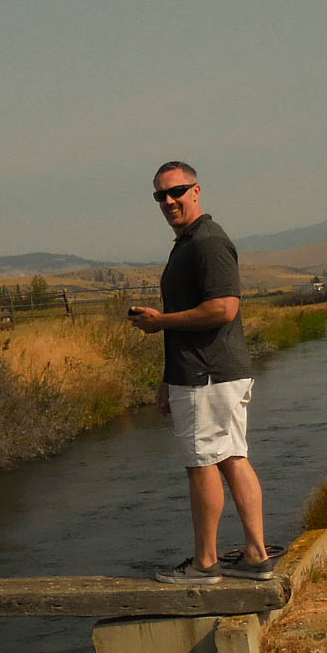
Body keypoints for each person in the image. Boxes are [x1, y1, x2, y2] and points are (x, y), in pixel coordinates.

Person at [130, 161, 273, 584]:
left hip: (207, 376)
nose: (169, 201)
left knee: (202, 464)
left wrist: (161, 322)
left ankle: (205, 564)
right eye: (161, 195)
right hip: (206, 372)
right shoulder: (189, 242)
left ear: (197, 191)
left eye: (177, 191)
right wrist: (166, 377)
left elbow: (224, 308)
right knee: (231, 458)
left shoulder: (207, 242)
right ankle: (255, 556)